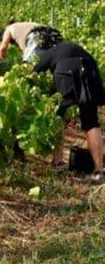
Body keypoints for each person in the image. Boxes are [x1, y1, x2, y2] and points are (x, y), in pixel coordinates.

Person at [28, 26, 104, 182]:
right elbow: (95, 68)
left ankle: (57, 162)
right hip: (90, 73)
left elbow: (33, 72)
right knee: (91, 122)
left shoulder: (52, 51)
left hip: (65, 74)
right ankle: (99, 171)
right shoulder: (77, 47)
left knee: (58, 117)